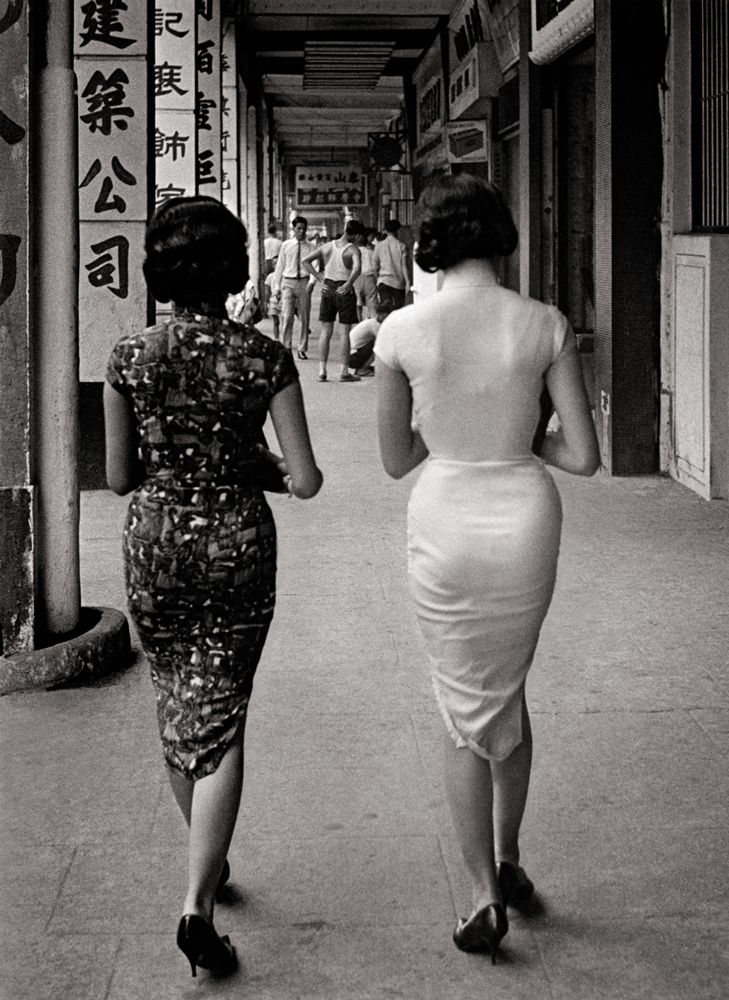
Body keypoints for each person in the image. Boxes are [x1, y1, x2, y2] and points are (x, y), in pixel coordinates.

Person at [374, 174, 599, 963]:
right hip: (524, 519)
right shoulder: (544, 324)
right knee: (506, 690)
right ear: (501, 234)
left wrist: (454, 432)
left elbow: (396, 459)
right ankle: (509, 859)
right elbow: (583, 454)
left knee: (459, 706)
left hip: (445, 521)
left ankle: (480, 894)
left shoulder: (401, 330)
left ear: (432, 240)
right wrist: (518, 441)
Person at [103, 196, 323, 979]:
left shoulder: (129, 357)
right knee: (222, 707)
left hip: (156, 543)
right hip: (235, 543)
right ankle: (197, 898)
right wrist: (249, 461)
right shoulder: (265, 358)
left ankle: (209, 857)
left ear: (158, 271)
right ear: (232, 272)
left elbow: (120, 475)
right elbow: (304, 480)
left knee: (176, 699)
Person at [302, 218, 365, 383]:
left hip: (328, 289)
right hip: (344, 290)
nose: (359, 240)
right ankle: (344, 372)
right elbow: (357, 268)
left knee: (325, 331)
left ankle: (322, 371)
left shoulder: (327, 246)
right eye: (359, 236)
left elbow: (305, 261)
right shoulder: (353, 250)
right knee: (344, 333)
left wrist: (320, 277)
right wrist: (349, 283)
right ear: (354, 234)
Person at [272, 216, 314, 357]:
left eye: (304, 229)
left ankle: (302, 349)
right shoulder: (286, 245)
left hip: (304, 282)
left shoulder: (311, 247)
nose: (302, 232)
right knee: (287, 316)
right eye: (299, 228)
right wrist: (276, 287)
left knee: (304, 317)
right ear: (293, 229)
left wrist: (312, 282)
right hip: (288, 283)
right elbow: (280, 266)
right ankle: (287, 347)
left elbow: (315, 266)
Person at [373, 218, 409, 312]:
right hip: (398, 283)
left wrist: (378, 279)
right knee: (398, 312)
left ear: (386, 230)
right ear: (398, 230)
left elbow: (375, 266)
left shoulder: (379, 246)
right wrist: (408, 282)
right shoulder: (401, 245)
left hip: (383, 282)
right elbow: (404, 266)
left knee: (385, 311)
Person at [348, 302, 391, 376]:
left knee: (375, 343)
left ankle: (364, 366)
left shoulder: (370, 321)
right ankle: (363, 370)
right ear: (382, 314)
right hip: (353, 357)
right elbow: (384, 342)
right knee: (378, 345)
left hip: (350, 355)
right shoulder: (374, 325)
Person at [354, 228, 378, 320]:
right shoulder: (371, 252)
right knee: (372, 304)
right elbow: (375, 269)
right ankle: (372, 324)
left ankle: (359, 325)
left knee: (357, 305)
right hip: (369, 279)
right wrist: (376, 281)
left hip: (355, 279)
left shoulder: (352, 252)